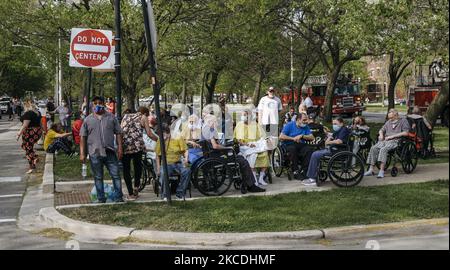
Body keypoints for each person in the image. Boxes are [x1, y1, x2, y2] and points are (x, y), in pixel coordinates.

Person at [202, 114, 265, 193]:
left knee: (241, 158)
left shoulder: (205, 130)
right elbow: (215, 146)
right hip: (217, 157)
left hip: (213, 155)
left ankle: (248, 183)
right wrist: (227, 148)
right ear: (210, 122)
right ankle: (251, 185)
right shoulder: (210, 130)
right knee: (243, 161)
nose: (217, 123)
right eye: (215, 121)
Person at [79, 96, 124, 203]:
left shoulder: (111, 117)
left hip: (110, 152)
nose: (97, 105)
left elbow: (118, 133)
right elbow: (82, 137)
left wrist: (120, 148)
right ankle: (101, 198)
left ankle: (118, 197)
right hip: (95, 152)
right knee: (98, 177)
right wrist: (82, 153)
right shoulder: (88, 120)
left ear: (104, 104)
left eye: (100, 102)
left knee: (116, 175)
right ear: (92, 105)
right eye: (95, 103)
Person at [121, 107, 158, 200]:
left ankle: (130, 193)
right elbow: (149, 133)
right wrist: (159, 140)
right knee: (138, 167)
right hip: (137, 146)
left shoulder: (126, 116)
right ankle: (136, 189)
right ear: (145, 113)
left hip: (125, 146)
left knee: (126, 169)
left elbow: (120, 131)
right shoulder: (143, 117)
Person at [303, 117, 351, 186]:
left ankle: (312, 178)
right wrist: (328, 137)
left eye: (335, 124)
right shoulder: (339, 130)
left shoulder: (344, 130)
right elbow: (331, 136)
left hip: (338, 151)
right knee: (316, 153)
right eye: (333, 124)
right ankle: (313, 175)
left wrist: (329, 142)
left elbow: (339, 141)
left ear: (341, 123)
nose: (334, 125)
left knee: (315, 154)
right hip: (334, 149)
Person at [364, 109, 410, 178]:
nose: (390, 119)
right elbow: (381, 130)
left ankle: (381, 171)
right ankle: (371, 170)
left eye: (391, 118)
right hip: (385, 140)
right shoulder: (388, 122)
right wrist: (381, 135)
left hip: (396, 141)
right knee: (373, 148)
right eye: (389, 118)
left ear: (396, 115)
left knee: (383, 149)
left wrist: (392, 136)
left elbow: (406, 133)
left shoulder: (403, 121)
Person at [234, 111, 270, 186]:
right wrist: (247, 144)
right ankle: (254, 179)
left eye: (244, 115)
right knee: (252, 155)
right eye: (242, 115)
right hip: (245, 146)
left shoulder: (254, 124)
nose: (243, 117)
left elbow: (262, 134)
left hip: (255, 144)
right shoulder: (239, 125)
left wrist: (265, 140)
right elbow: (238, 140)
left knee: (265, 154)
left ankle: (261, 178)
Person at [155, 123, 190, 200]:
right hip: (166, 163)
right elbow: (157, 155)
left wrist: (186, 159)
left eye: (162, 134)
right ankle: (165, 195)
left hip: (178, 162)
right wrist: (158, 168)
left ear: (167, 131)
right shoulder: (160, 140)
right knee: (163, 173)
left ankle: (180, 193)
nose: (160, 136)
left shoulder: (177, 136)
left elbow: (185, 150)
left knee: (187, 171)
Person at [279, 112, 315, 180]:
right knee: (293, 149)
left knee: (309, 149)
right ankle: (295, 171)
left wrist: (302, 136)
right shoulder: (289, 125)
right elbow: (281, 136)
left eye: (306, 120)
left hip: (300, 144)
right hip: (289, 144)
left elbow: (312, 137)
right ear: (298, 119)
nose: (306, 121)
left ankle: (304, 171)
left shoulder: (306, 127)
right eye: (304, 120)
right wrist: (293, 138)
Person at [17, 100, 42, 174]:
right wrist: (43, 131)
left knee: (28, 149)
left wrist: (18, 134)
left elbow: (25, 125)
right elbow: (40, 123)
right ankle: (34, 160)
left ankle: (32, 164)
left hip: (30, 133)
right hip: (37, 132)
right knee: (28, 147)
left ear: (26, 106)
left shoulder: (28, 113)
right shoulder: (37, 113)